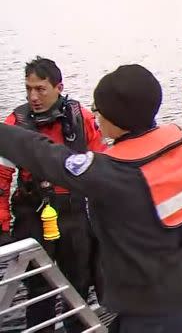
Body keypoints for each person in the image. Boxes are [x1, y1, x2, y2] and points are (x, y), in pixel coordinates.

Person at [0, 64, 182, 333]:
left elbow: (44, 155)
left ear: (114, 118)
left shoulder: (110, 173)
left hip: (151, 316)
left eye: (98, 109)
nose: (96, 116)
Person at [0, 57, 104, 333]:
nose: (33, 96)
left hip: (74, 212)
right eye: (28, 89)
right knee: (38, 286)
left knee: (79, 281)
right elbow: (1, 177)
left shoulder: (81, 119)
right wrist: (2, 224)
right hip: (33, 211)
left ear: (58, 87)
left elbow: (102, 164)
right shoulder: (15, 123)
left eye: (40, 89)